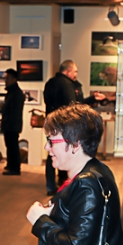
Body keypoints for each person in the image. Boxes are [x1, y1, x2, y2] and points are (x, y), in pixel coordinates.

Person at [26, 103, 123, 245]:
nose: (46, 147)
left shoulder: (86, 183)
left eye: (51, 141)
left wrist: (40, 222)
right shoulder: (95, 170)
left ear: (75, 144)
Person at [43, 59, 106, 195]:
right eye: (75, 71)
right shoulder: (67, 84)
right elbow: (74, 107)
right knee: (63, 151)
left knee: (52, 153)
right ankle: (63, 183)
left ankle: (50, 185)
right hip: (66, 126)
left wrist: (92, 98)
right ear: (68, 71)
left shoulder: (50, 82)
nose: (76, 74)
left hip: (53, 124)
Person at [1, 68, 25, 175]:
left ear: (14, 79)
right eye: (5, 78)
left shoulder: (16, 93)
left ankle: (15, 168)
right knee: (10, 145)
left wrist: (10, 124)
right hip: (10, 124)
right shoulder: (12, 92)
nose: (6, 80)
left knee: (13, 146)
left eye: (8, 78)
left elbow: (14, 111)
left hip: (12, 124)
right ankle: (11, 165)